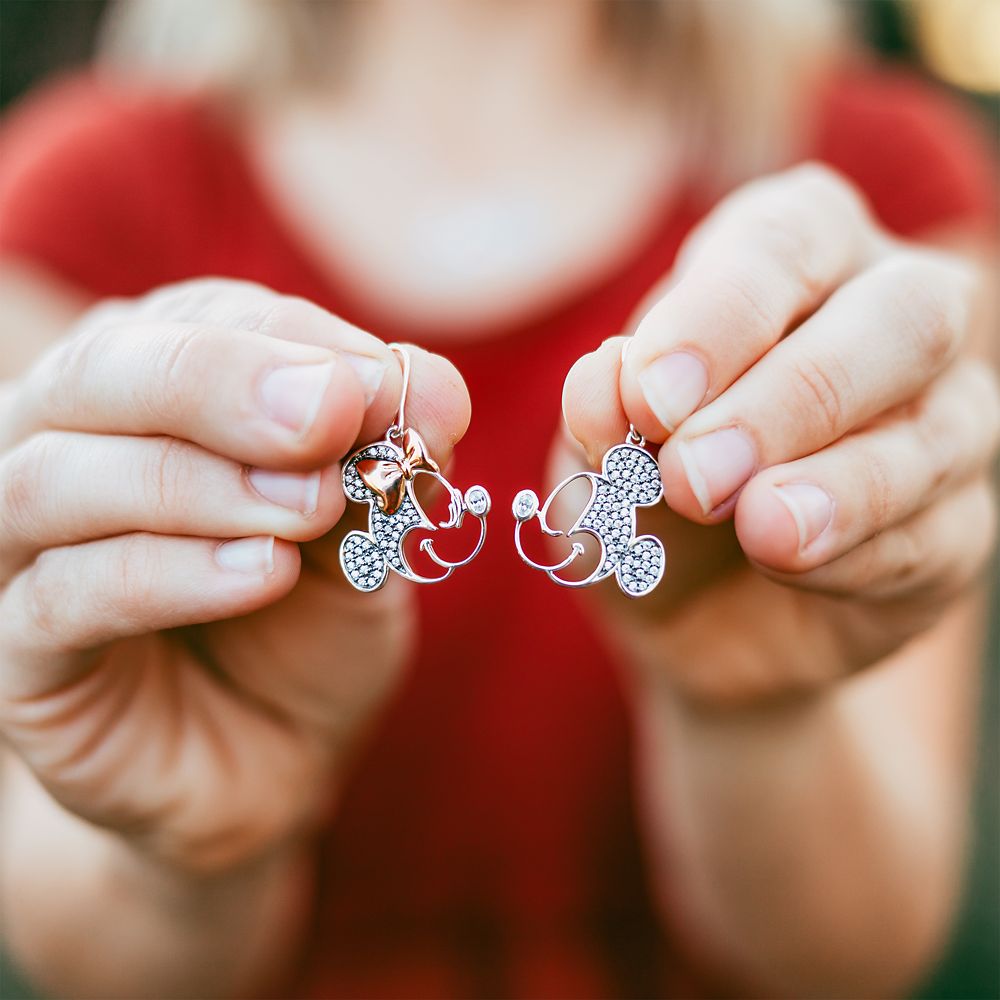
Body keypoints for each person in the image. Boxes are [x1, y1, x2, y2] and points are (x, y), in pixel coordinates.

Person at [0, 2, 996, 997]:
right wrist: (190, 858)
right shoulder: (81, 203)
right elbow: (73, 936)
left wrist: (750, 714)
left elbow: (860, 953)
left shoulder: (882, 185)